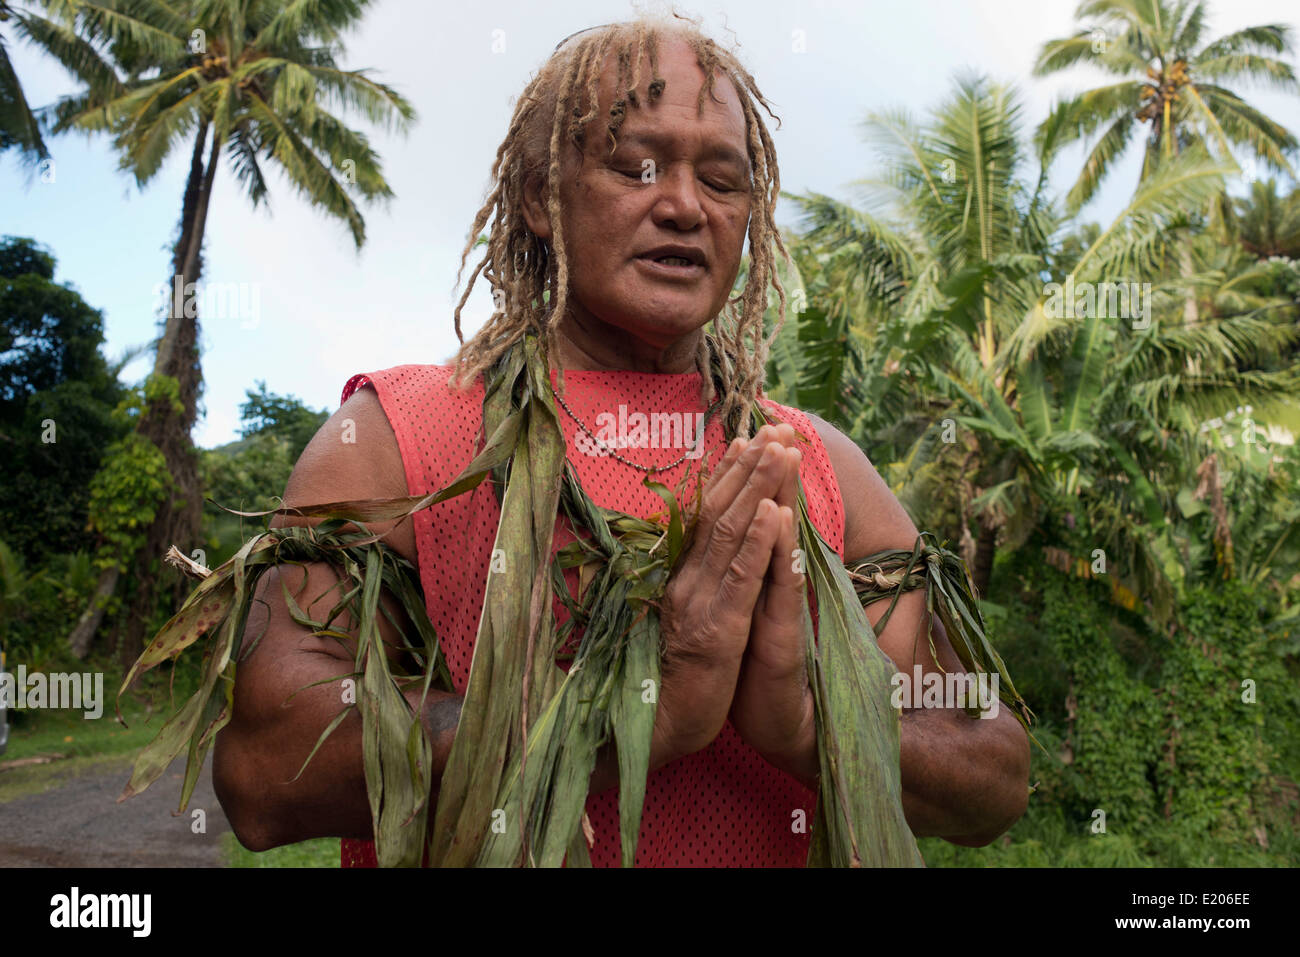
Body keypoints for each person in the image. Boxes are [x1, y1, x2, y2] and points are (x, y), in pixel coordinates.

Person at [212, 16, 1030, 867]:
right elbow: (265, 771)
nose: (683, 205)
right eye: (634, 164)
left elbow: (996, 771)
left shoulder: (818, 464)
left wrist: (809, 723)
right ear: (538, 194)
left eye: (722, 180)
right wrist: (637, 712)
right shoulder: (395, 441)